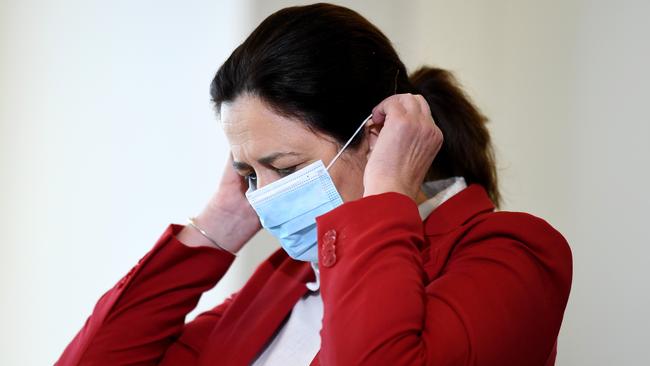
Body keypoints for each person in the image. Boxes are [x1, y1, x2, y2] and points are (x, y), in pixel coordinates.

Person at [56, 3, 572, 366]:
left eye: (287, 168)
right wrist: (219, 225)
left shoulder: (513, 252)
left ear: (376, 137)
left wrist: (386, 194)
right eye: (250, 173)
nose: (265, 194)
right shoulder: (287, 278)